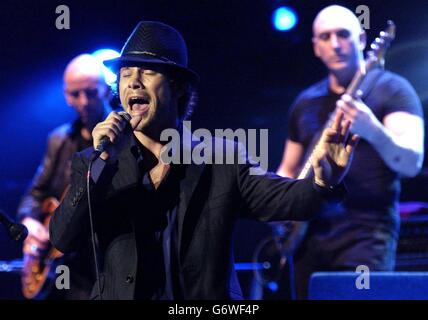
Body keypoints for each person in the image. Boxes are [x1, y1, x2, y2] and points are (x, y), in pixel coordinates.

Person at [49, 20, 357, 300]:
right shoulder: (96, 161)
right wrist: (102, 162)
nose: (134, 82)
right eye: (126, 74)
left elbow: (286, 200)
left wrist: (323, 183)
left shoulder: (222, 157)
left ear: (179, 86)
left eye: (148, 72)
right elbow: (63, 237)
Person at [276, 5, 424, 299]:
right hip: (309, 236)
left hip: (366, 234)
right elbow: (287, 169)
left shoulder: (393, 90)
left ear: (361, 39)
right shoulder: (305, 101)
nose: (334, 43)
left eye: (343, 34)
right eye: (325, 36)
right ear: (315, 47)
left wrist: (371, 128)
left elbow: (411, 163)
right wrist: (278, 213)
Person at [17, 54, 112, 299]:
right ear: (65, 93)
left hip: (104, 268)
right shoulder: (58, 139)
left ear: (105, 90)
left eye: (91, 92)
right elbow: (35, 193)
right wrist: (30, 222)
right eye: (74, 94)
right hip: (66, 271)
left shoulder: (123, 137)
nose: (83, 102)